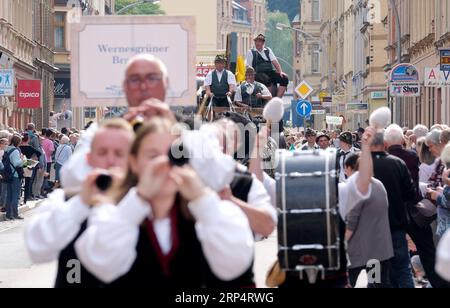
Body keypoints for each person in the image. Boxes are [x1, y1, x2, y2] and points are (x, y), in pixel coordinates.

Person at [75, 118, 255, 286]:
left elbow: (235, 265)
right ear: (134, 162)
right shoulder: (110, 211)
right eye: (153, 156)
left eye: (175, 155)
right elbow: (100, 263)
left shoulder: (211, 214)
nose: (164, 164)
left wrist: (202, 198)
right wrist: (139, 198)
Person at [25, 119, 135, 288]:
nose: (111, 160)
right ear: (89, 158)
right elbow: (38, 250)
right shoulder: (65, 200)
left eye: (120, 153)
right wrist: (82, 202)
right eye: (103, 152)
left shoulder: (144, 202)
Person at [371, 131, 416, 288]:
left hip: (371, 228)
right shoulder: (397, 163)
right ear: (385, 144)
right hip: (396, 224)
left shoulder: (362, 165)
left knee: (374, 271)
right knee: (402, 268)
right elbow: (411, 193)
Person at [343, 153, 393, 288]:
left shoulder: (357, 187)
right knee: (376, 282)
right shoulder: (379, 184)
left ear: (350, 169)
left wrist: (341, 244)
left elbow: (351, 223)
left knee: (348, 283)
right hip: (376, 250)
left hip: (359, 251)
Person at [246, 34, 289, 98]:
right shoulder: (251, 52)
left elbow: (275, 62)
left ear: (263, 42)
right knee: (266, 79)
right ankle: (268, 99)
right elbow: (249, 67)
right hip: (257, 73)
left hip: (269, 72)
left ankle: (277, 99)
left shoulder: (268, 50)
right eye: (256, 41)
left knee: (284, 78)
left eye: (259, 41)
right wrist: (249, 77)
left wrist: (280, 72)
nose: (257, 43)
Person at [4, 134, 26, 220]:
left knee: (9, 195)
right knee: (15, 195)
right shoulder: (15, 151)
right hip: (15, 175)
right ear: (18, 142)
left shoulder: (7, 149)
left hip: (8, 174)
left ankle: (8, 214)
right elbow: (17, 163)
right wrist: (23, 159)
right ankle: (15, 214)